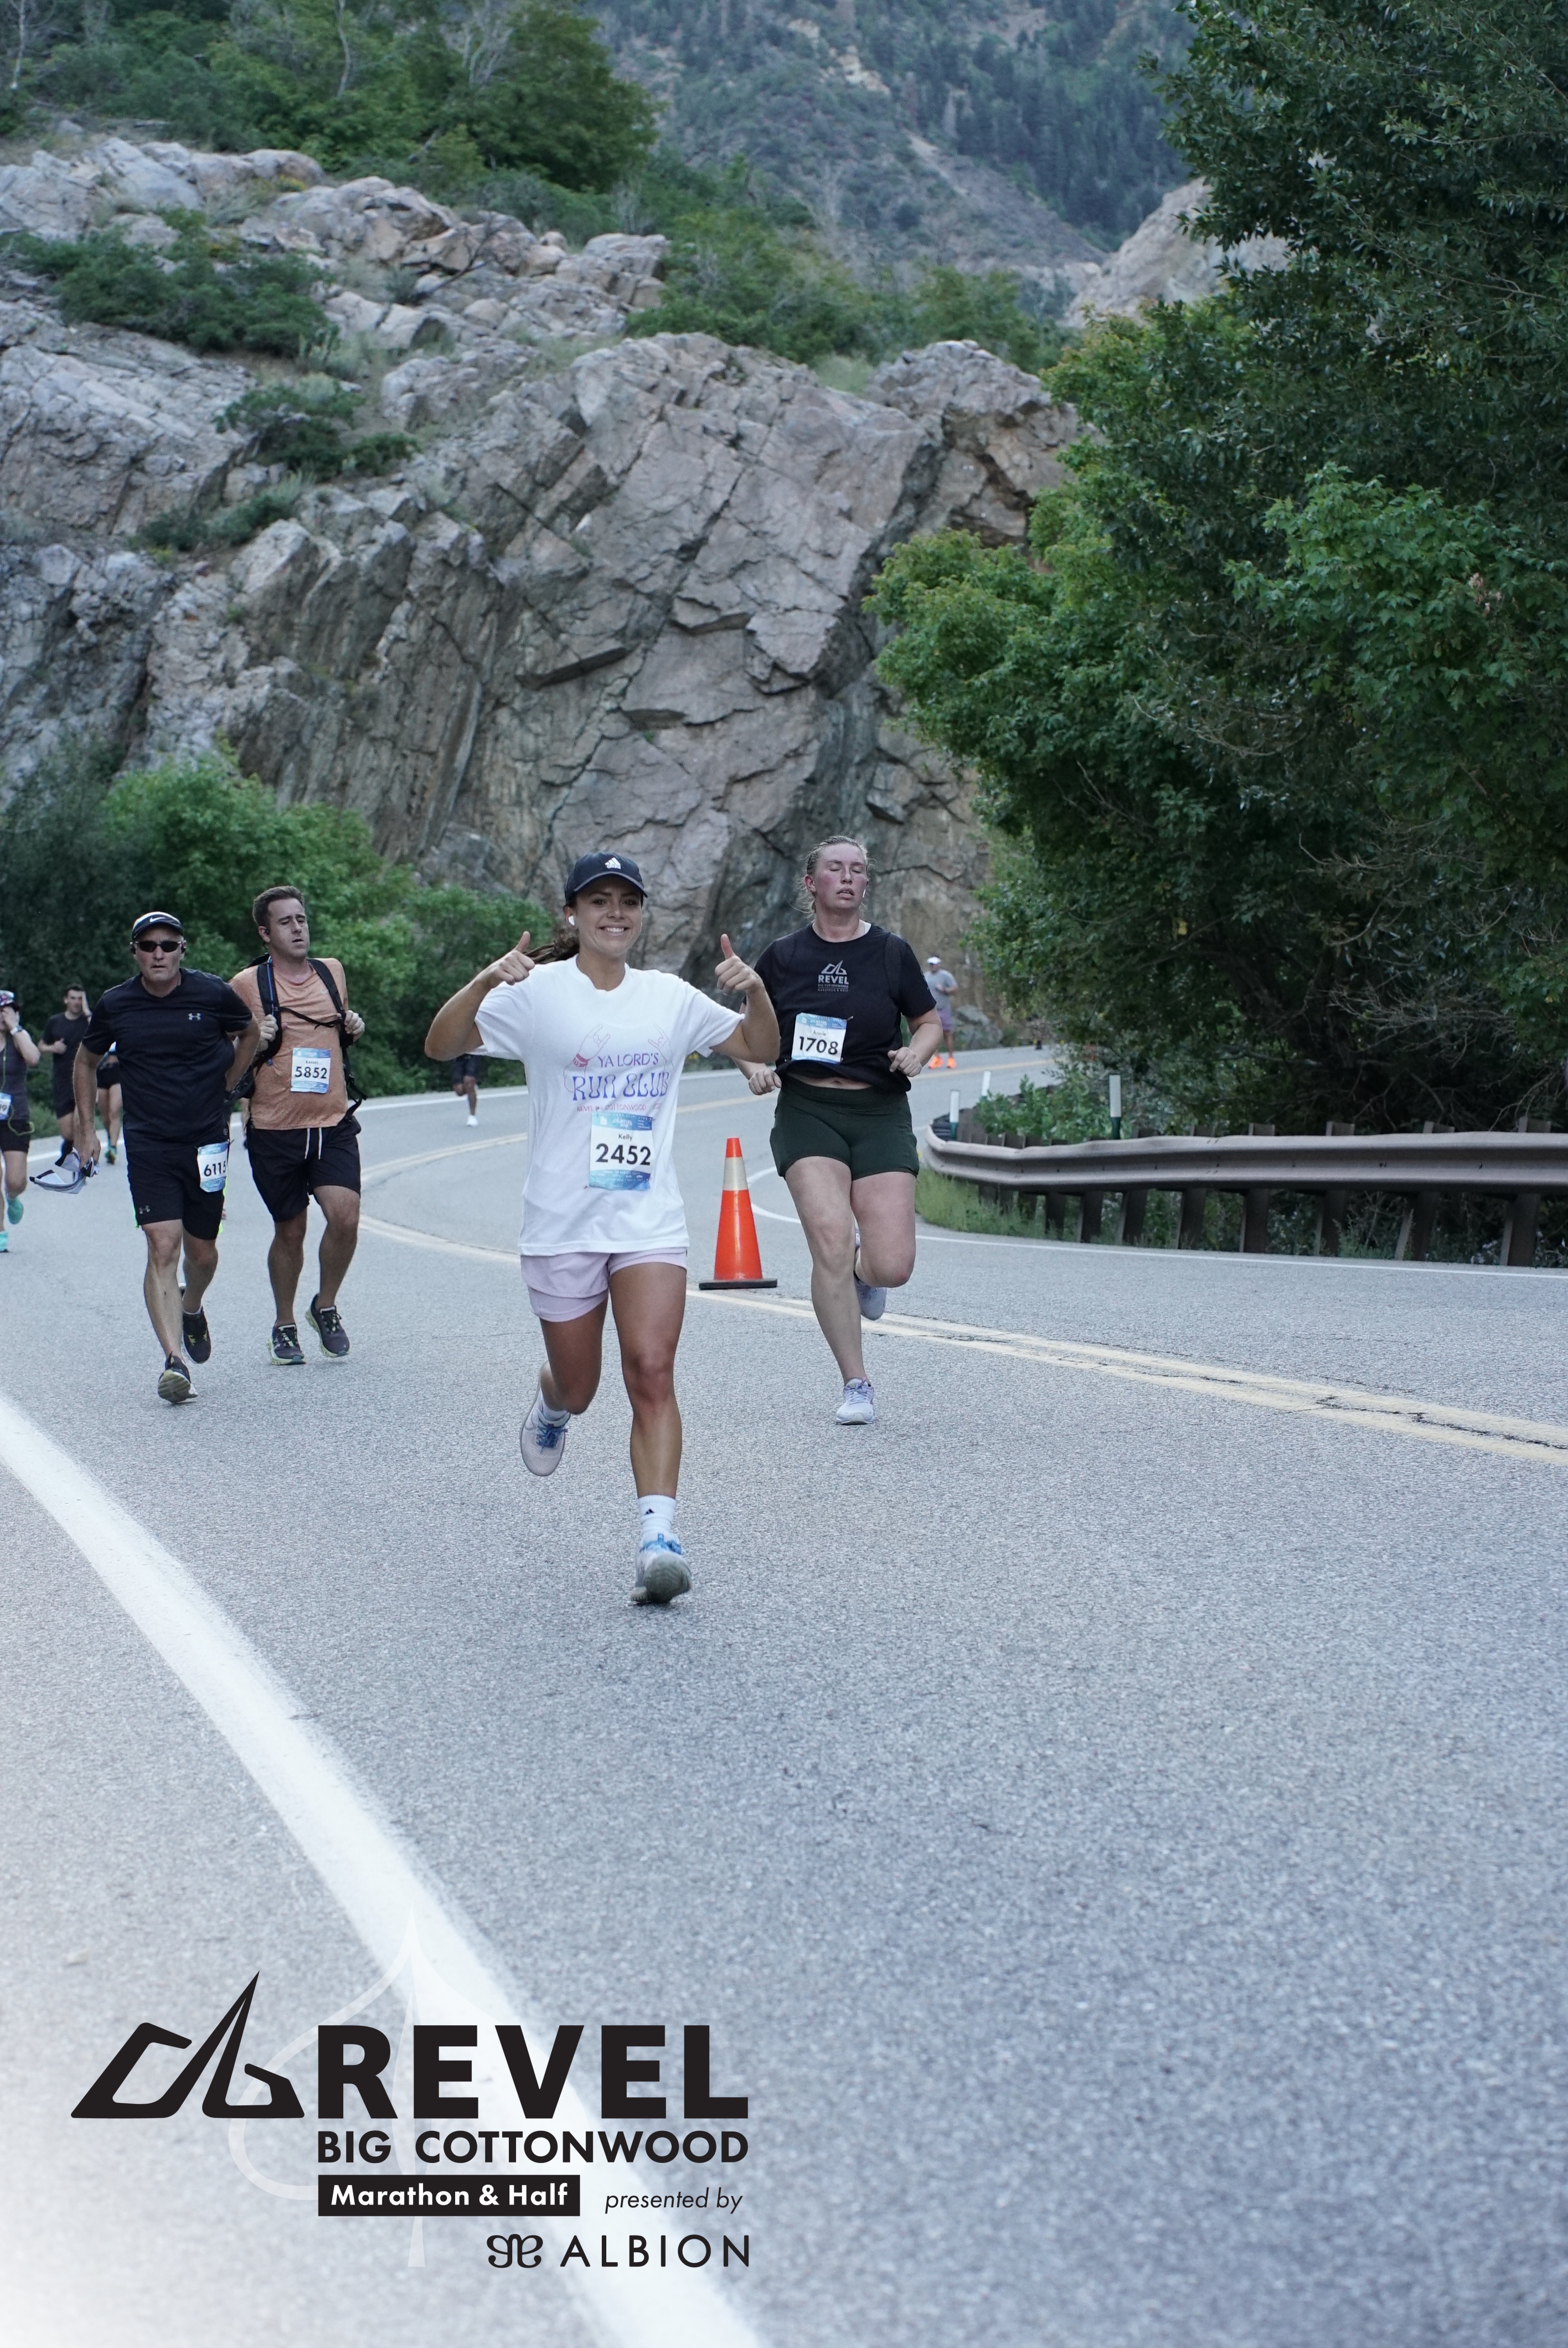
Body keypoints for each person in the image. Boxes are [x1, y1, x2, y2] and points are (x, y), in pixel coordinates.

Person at [424, 851, 780, 1606]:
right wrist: (486, 980)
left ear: (641, 914)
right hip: (562, 1221)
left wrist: (757, 995)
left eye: (628, 901)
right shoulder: (537, 993)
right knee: (582, 1387)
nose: (614, 913)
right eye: (599, 901)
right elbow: (441, 1044)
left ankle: (659, 1540)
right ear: (573, 913)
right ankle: (553, 1401)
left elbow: (759, 1048)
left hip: (647, 1218)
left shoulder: (669, 998)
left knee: (651, 1369)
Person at [739, 837, 943, 1427]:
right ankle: (857, 1383)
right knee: (830, 1240)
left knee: (893, 1265)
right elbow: (745, 1030)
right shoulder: (783, 956)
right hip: (808, 1110)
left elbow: (928, 1021)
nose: (848, 877)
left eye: (858, 869)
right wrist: (754, 1068)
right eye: (836, 868)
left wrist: (918, 1052)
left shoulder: (890, 952)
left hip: (880, 1111)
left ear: (866, 884)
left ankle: (862, 1274)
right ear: (813, 883)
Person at [75, 913, 261, 1402]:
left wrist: (231, 1083)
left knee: (202, 1252)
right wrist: (87, 1130)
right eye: (148, 945)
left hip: (206, 1141)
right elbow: (86, 1060)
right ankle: (175, 1362)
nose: (158, 953)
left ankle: (191, 1305)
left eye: (168, 944)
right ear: (135, 952)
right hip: (149, 1142)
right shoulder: (116, 1004)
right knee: (162, 1246)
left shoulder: (212, 994)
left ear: (183, 950)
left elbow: (251, 1032)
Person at [230, 887, 367, 1367]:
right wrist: (252, 1041)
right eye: (285, 922)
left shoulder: (332, 972)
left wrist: (353, 1026)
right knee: (290, 1231)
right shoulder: (246, 985)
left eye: (301, 919)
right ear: (265, 933)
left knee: (345, 1217)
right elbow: (225, 1056)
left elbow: (336, 1032)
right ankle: (284, 1323)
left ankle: (324, 1305)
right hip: (274, 1127)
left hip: (332, 1122)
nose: (297, 928)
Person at [0, 991, 40, 1254]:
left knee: (15, 1181)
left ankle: (13, 1197)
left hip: (15, 1119)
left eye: (8, 1010)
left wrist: (15, 1028)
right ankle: (0, 1232)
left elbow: (34, 1059)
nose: (3, 1015)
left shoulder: (19, 1039)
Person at [39, 985, 90, 1165]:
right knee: (68, 1132)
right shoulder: (55, 1021)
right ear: (66, 1000)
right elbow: (41, 1046)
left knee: (79, 1121)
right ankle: (70, 1145)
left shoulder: (88, 1022)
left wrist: (87, 1011)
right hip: (62, 1080)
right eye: (73, 998)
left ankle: (80, 1164)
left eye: (80, 999)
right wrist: (53, 1048)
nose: (77, 1002)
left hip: (85, 1078)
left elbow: (101, 1033)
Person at [925, 955, 959, 1069]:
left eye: (934, 964)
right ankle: (937, 1058)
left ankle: (951, 1058)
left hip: (943, 1009)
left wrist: (944, 990)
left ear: (938, 965)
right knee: (932, 1035)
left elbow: (955, 989)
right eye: (931, 965)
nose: (932, 966)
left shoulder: (945, 976)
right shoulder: (926, 977)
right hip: (931, 1010)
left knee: (947, 1033)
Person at [96, 1046, 123, 1162]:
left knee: (114, 1111)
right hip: (101, 1073)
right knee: (105, 1116)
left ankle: (113, 1147)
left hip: (118, 1073)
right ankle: (110, 1137)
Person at [451, 1051, 483, 1124]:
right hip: (459, 1055)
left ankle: (472, 1116)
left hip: (474, 1053)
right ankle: (471, 1088)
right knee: (459, 1091)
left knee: (469, 1081)